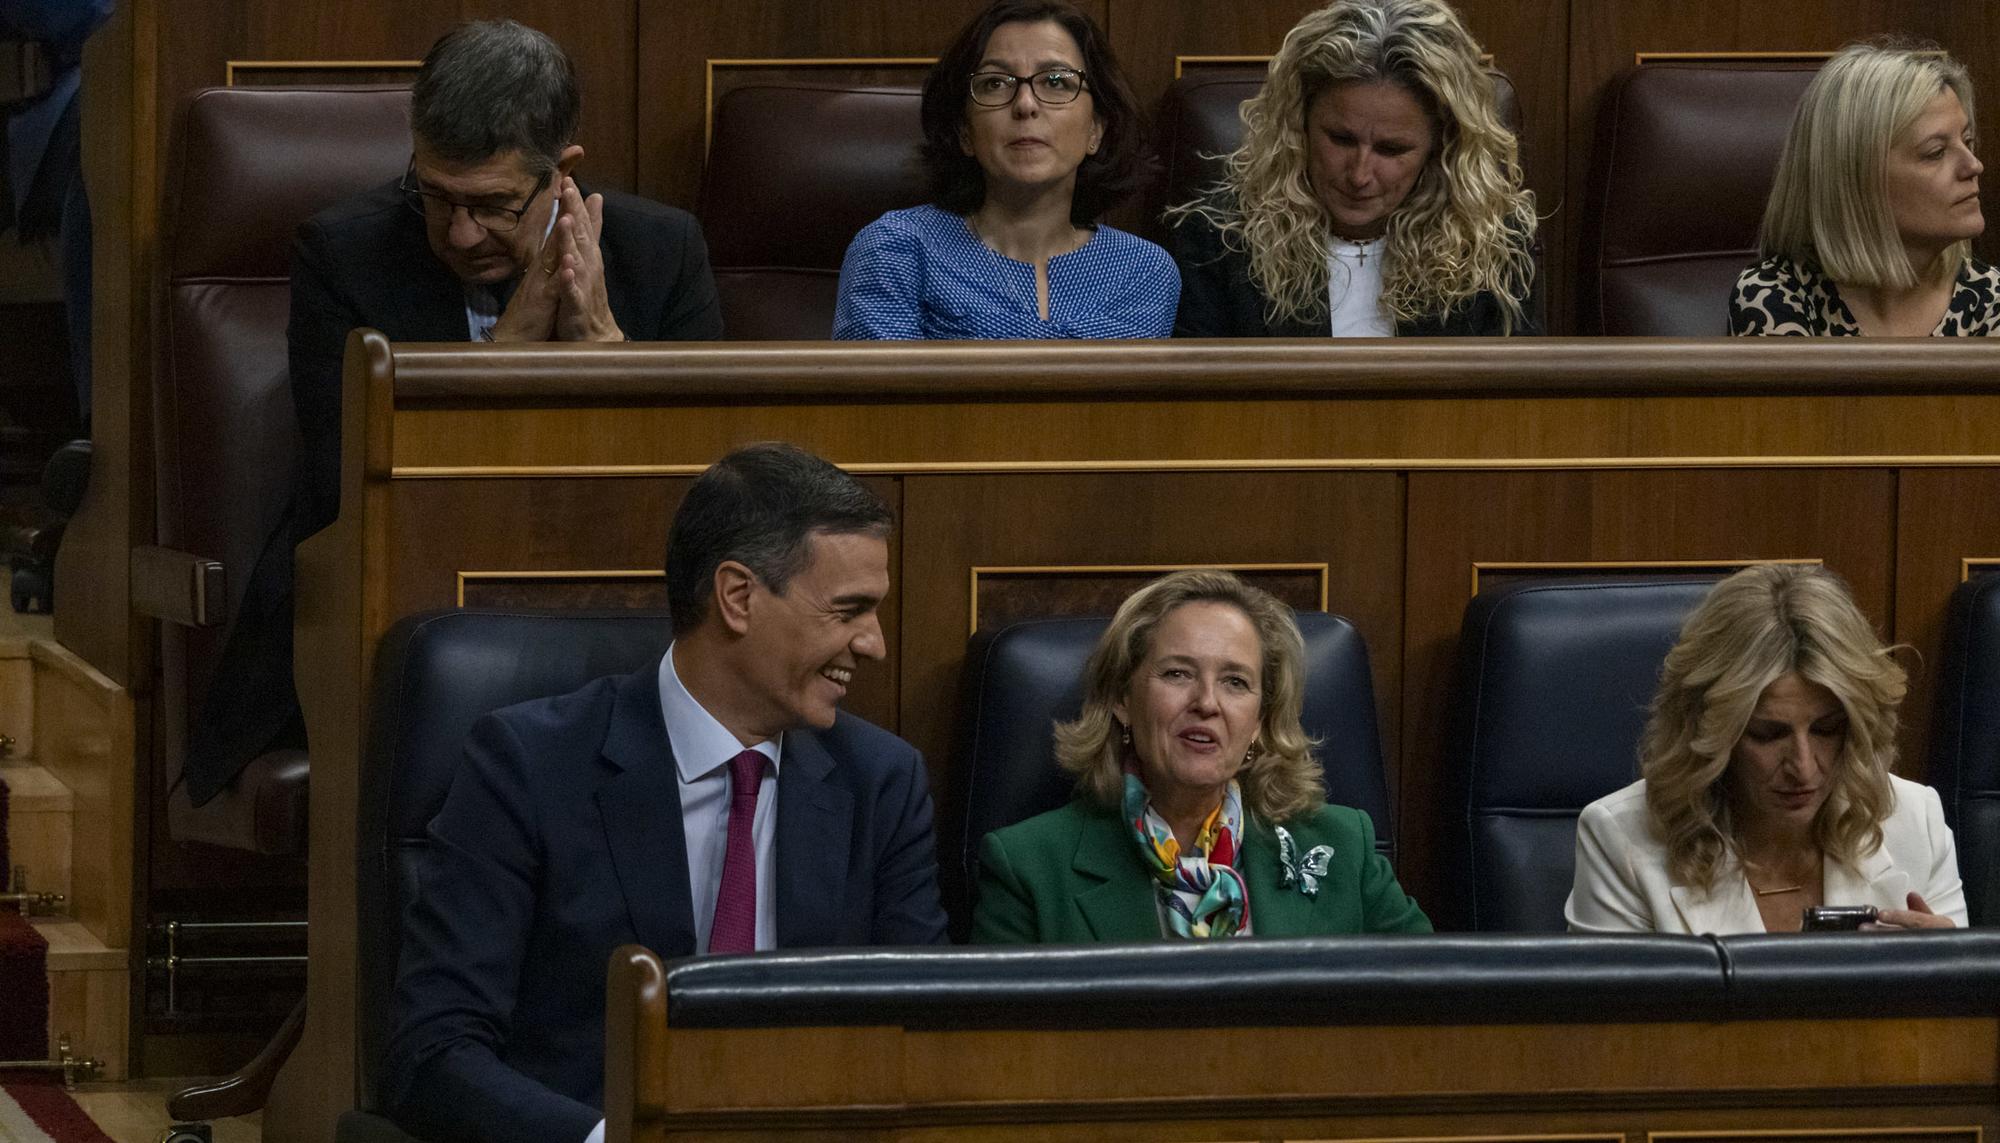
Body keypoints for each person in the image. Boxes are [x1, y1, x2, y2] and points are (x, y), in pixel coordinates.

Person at [179, 18, 723, 812]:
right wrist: (502, 353)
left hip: (614, 608)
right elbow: (346, 482)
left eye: (493, 205)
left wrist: (606, 348)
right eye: (434, 195)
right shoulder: (343, 255)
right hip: (394, 622)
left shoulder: (660, 252)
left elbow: (712, 485)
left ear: (562, 172)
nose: (461, 233)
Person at [383, 443, 949, 1143]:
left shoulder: (881, 783)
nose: (875, 644)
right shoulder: (528, 766)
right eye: (849, 610)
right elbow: (432, 1052)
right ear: (737, 596)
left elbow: (922, 1040)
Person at [972, 569, 1430, 942]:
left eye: (1235, 682)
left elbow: (1432, 1003)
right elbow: (1003, 1051)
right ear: (1122, 699)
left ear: (1259, 720)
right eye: (1177, 673)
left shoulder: (1344, 847)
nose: (1206, 702)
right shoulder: (1029, 868)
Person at [1566, 564, 1965, 935]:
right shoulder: (1621, 839)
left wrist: (1950, 976)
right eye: (1768, 734)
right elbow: (1616, 1011)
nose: (1803, 767)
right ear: (1711, 733)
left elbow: (1969, 1007)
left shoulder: (1916, 821)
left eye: (1826, 730)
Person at [1166, 0, 1538, 338]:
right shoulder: (1220, 236)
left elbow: (1518, 398)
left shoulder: (1493, 241)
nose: (1359, 175)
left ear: (1441, 147)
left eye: (1391, 150)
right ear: (1299, 127)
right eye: (1341, 139)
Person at [832, 0, 1177, 340]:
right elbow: (877, 395)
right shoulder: (898, 248)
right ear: (964, 132)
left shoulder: (1143, 271)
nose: (1025, 105)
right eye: (995, 83)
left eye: (1056, 81)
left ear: (1095, 129)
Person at [1731, 42, 1996, 337]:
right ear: (1855, 177)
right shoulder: (1776, 296)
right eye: (1935, 152)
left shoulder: (1991, 299)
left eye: (1968, 141)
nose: (1973, 166)